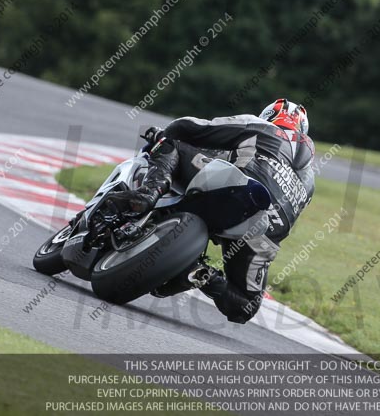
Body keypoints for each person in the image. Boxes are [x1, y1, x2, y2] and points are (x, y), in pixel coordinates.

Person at [105, 99, 315, 324]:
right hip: (265, 231)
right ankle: (203, 276)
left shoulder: (262, 126)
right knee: (244, 305)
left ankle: (148, 193)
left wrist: (162, 135)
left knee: (173, 142)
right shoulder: (310, 181)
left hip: (240, 190)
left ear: (269, 115)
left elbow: (194, 128)